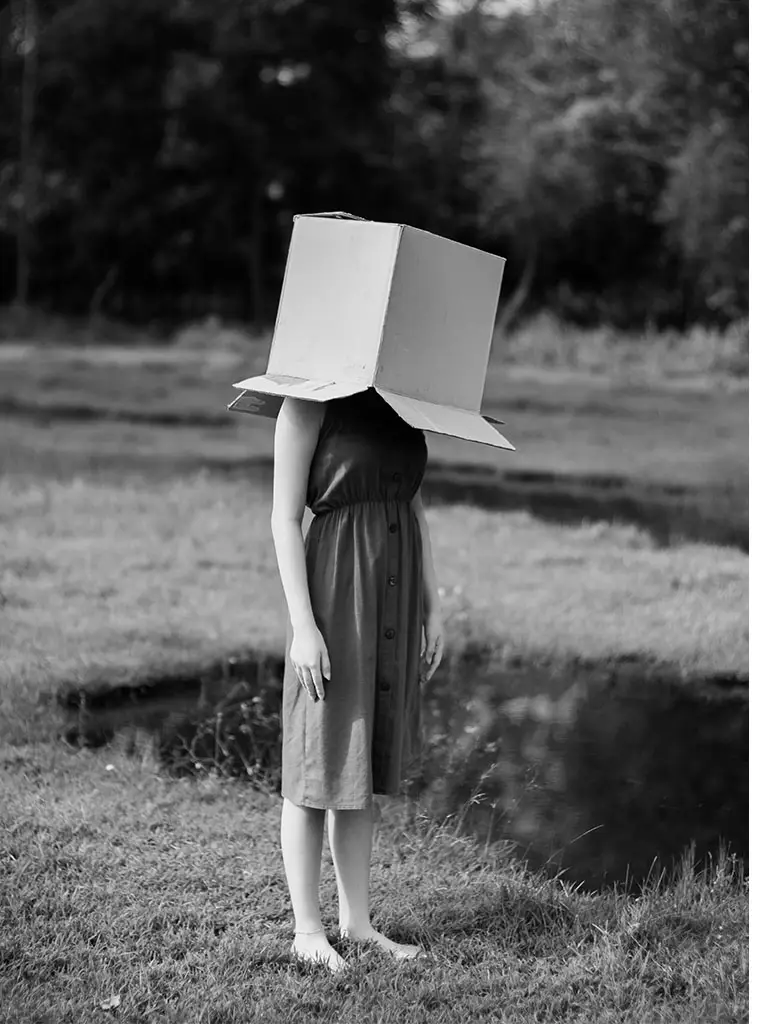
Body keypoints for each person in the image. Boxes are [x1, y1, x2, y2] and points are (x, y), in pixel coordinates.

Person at [270, 387, 444, 972]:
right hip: (336, 592)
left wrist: (431, 607)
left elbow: (414, 508)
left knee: (359, 763)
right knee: (318, 752)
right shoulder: (305, 400)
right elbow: (283, 518)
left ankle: (358, 923)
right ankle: (306, 929)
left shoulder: (403, 397)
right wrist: (303, 626)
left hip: (393, 593)